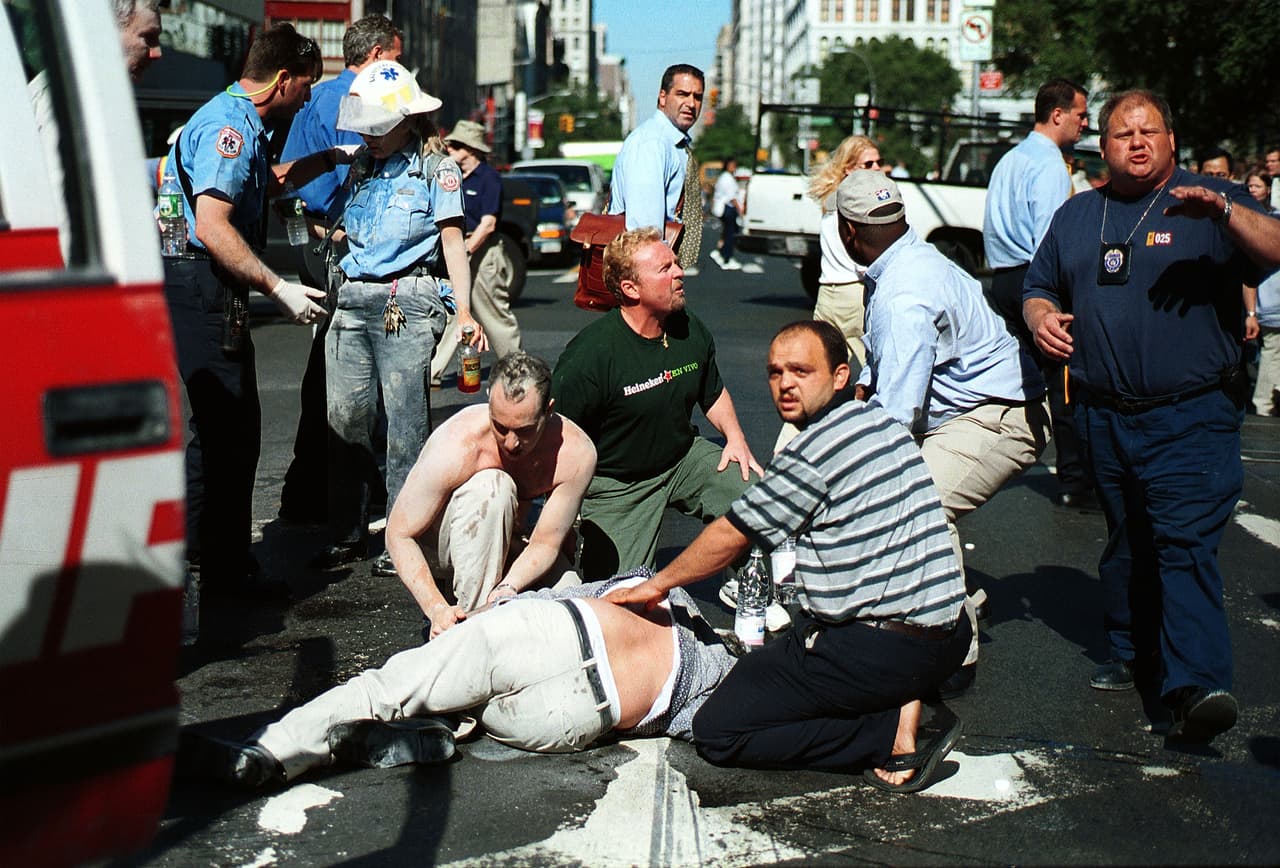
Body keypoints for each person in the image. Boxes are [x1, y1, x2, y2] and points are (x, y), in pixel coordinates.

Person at [608, 320, 970, 794]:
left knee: (718, 729)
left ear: (840, 376)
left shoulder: (812, 453)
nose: (785, 384)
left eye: (801, 371)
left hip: (880, 652)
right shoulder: (883, 422)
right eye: (775, 372)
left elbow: (731, 536)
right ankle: (904, 700)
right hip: (949, 637)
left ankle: (886, 736)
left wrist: (656, 585)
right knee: (774, 662)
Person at [1023, 89, 1280, 741]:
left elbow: (1276, 248)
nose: (1136, 142)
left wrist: (1226, 212)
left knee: (1182, 543)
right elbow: (1038, 284)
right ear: (1102, 146)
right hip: (1104, 415)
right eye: (1122, 133)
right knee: (1127, 539)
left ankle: (1196, 686)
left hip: (1190, 415)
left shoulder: (1210, 200)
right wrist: (1040, 316)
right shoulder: (1079, 214)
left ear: (1171, 140)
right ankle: (1130, 647)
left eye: (1148, 131)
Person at [182, 572, 738, 790]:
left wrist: (494, 609)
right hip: (568, 718)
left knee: (389, 686)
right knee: (472, 703)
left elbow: (565, 593)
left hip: (550, 636)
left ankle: (268, 753)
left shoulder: (670, 590)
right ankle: (433, 734)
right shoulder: (717, 681)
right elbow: (714, 732)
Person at [843, 170, 1050, 697]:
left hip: (1001, 414)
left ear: (848, 230)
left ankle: (951, 649)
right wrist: (866, 382)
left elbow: (899, 414)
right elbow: (892, 363)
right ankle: (939, 603)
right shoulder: (909, 261)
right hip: (970, 408)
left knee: (917, 506)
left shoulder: (903, 292)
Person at [162, 24, 347, 594]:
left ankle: (198, 552)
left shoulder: (238, 118)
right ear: (283, 80)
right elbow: (213, 225)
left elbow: (266, 184)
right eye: (307, 86)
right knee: (233, 432)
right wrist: (277, 286)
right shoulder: (230, 128)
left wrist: (331, 158)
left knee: (215, 427)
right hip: (203, 282)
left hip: (197, 283)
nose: (308, 99)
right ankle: (226, 571)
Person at [313, 61, 487, 578]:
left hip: (405, 300)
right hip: (352, 299)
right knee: (345, 419)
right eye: (364, 125)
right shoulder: (361, 166)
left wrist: (464, 312)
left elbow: (453, 243)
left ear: (407, 120)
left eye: (378, 125)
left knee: (406, 426)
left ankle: (405, 534)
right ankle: (346, 531)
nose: (368, 134)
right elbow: (350, 227)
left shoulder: (438, 169)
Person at [550, 227, 763, 585]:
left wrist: (736, 440)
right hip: (618, 484)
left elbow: (712, 392)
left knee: (753, 492)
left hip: (681, 459)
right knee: (618, 594)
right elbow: (556, 439)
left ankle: (747, 584)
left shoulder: (687, 326)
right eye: (665, 268)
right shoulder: (589, 356)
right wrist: (564, 514)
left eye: (676, 263)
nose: (680, 273)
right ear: (631, 289)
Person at [276, 14, 403, 525]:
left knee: (335, 357)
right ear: (376, 56)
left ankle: (322, 481)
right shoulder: (350, 100)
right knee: (344, 360)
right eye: (395, 58)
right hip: (335, 240)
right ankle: (325, 482)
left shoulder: (325, 95)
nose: (400, 69)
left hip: (317, 236)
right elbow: (353, 181)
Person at [386, 352, 595, 638]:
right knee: (494, 486)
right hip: (443, 548)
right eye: (500, 427)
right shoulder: (460, 441)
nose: (511, 443)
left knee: (572, 607)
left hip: (512, 544)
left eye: (524, 430)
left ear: (548, 411)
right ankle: (470, 632)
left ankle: (495, 619)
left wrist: (509, 587)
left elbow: (546, 543)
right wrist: (436, 609)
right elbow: (398, 533)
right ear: (489, 403)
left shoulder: (576, 453)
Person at [983, 78, 1093, 510]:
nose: (1085, 123)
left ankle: (991, 456)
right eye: (1081, 114)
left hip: (1004, 278)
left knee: (1016, 379)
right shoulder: (1049, 165)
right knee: (1064, 380)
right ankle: (1076, 480)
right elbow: (1052, 237)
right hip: (1038, 281)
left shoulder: (1009, 159)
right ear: (1058, 114)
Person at [29, 0, 163, 264]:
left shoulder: (85, 91)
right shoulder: (73, 98)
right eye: (148, 37)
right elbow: (65, 212)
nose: (157, 53)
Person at [774, 135, 880, 453]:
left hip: (826, 296)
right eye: (868, 164)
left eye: (878, 162)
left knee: (815, 375)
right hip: (854, 296)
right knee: (878, 375)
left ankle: (784, 450)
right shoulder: (857, 203)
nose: (878, 169)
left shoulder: (830, 199)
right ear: (849, 169)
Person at [430, 120, 523, 384]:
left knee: (493, 312)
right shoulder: (452, 177)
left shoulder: (488, 178)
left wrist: (467, 249)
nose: (449, 149)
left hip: (483, 250)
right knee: (453, 309)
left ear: (470, 149)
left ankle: (516, 368)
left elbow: (488, 223)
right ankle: (432, 370)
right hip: (458, 248)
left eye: (455, 145)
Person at [609, 64, 705, 269]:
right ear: (663, 97)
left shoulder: (674, 145)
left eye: (698, 97)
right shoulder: (651, 144)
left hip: (660, 268)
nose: (691, 103)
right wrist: (661, 272)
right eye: (682, 94)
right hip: (645, 271)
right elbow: (644, 236)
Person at [709, 156, 743, 270]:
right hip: (728, 208)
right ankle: (727, 258)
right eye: (732, 165)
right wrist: (740, 210)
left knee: (727, 233)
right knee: (730, 234)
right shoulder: (727, 178)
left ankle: (721, 253)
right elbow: (732, 197)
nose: (734, 167)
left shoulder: (724, 177)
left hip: (725, 208)